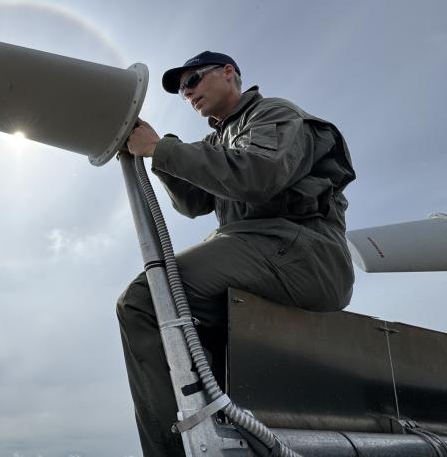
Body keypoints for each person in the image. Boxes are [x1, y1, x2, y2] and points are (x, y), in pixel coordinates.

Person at [118, 51, 356, 457]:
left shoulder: (273, 114)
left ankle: (177, 450)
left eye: (192, 79)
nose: (186, 91)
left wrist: (161, 149)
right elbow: (193, 202)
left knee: (145, 302)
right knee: (188, 329)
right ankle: (233, 429)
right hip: (262, 250)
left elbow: (256, 175)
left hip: (303, 250)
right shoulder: (217, 140)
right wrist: (157, 152)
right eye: (180, 89)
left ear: (229, 74)